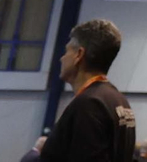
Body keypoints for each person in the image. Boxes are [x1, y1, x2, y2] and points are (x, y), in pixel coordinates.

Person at [39, 18, 137, 162]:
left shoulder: (89, 105)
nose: (62, 59)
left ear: (79, 55)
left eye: (66, 52)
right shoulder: (119, 101)